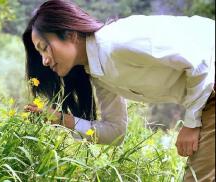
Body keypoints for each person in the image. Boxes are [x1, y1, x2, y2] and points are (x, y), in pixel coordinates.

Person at [22, 0, 215, 181]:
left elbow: (200, 63)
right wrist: (61, 119)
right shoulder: (99, 73)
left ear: (71, 34)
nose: (44, 61)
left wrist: (191, 123)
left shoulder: (116, 43)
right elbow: (115, 132)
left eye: (44, 48)